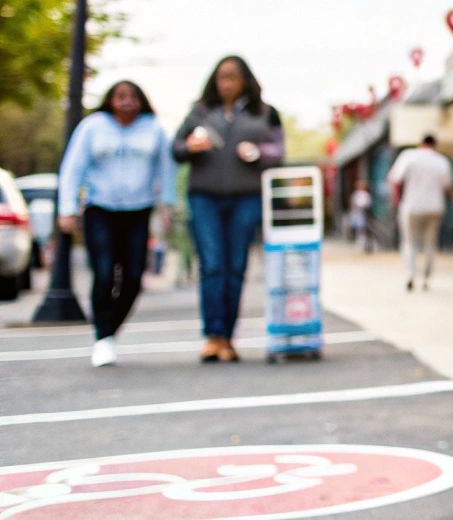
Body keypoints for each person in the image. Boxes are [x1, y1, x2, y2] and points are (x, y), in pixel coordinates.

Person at [56, 80, 177, 367]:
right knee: (105, 271)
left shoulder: (154, 129)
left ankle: (110, 329)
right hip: (101, 209)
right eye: (120, 96)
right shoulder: (93, 126)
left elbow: (166, 168)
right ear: (110, 100)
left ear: (141, 101)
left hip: (138, 210)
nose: (126, 102)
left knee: (134, 275)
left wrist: (167, 206)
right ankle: (102, 336)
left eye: (133, 96)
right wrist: (67, 208)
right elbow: (72, 168)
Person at [174, 55, 285, 363]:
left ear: (245, 80)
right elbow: (176, 148)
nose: (226, 83)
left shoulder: (264, 113)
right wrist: (190, 147)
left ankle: (229, 338)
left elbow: (279, 150)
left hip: (245, 197)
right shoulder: (200, 112)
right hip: (205, 197)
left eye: (232, 77)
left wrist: (259, 153)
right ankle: (213, 335)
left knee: (235, 267)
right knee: (212, 266)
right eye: (221, 77)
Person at [388, 134, 452, 292]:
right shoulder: (442, 161)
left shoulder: (408, 156)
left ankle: (410, 274)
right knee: (430, 244)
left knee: (410, 242)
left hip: (412, 206)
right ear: (435, 145)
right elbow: (448, 187)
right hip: (435, 207)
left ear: (420, 144)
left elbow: (394, 178)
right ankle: (426, 279)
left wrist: (397, 199)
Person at [349, 179, 373, 253]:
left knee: (363, 229)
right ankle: (359, 242)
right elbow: (353, 203)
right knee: (358, 229)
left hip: (364, 214)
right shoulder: (355, 194)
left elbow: (368, 204)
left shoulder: (366, 194)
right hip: (357, 214)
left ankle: (363, 243)